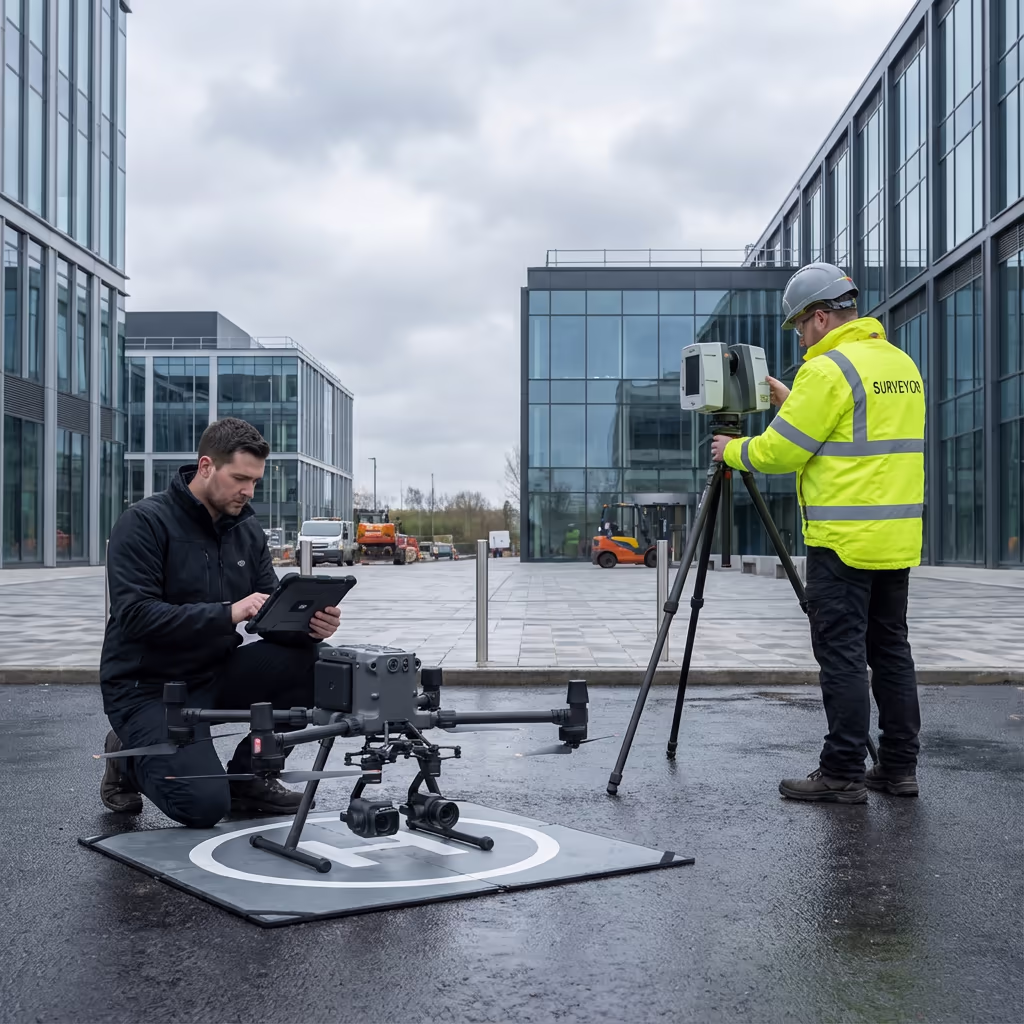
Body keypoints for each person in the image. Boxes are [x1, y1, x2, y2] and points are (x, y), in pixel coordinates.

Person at [710, 263, 925, 805]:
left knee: (843, 656)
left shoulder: (828, 370)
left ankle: (842, 771)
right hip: (894, 539)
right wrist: (793, 401)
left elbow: (782, 452)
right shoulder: (899, 364)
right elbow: (855, 431)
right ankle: (899, 769)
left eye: (801, 326)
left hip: (842, 541)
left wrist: (732, 451)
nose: (801, 337)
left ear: (821, 317)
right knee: (891, 652)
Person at [99, 418, 342, 827]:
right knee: (204, 807)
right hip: (149, 689)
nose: (248, 492)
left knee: (323, 663)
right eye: (240, 479)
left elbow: (268, 613)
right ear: (207, 466)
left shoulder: (246, 529)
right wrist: (230, 611)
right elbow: (136, 616)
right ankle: (127, 758)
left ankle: (251, 776)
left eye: (255, 481)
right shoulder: (144, 523)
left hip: (215, 673)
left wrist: (309, 623)